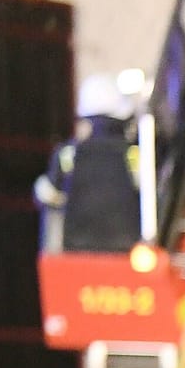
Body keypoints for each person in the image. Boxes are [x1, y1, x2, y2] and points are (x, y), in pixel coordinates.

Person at [34, 72, 143, 253]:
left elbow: (48, 195)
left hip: (76, 251)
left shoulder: (68, 153)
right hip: (128, 251)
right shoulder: (134, 154)